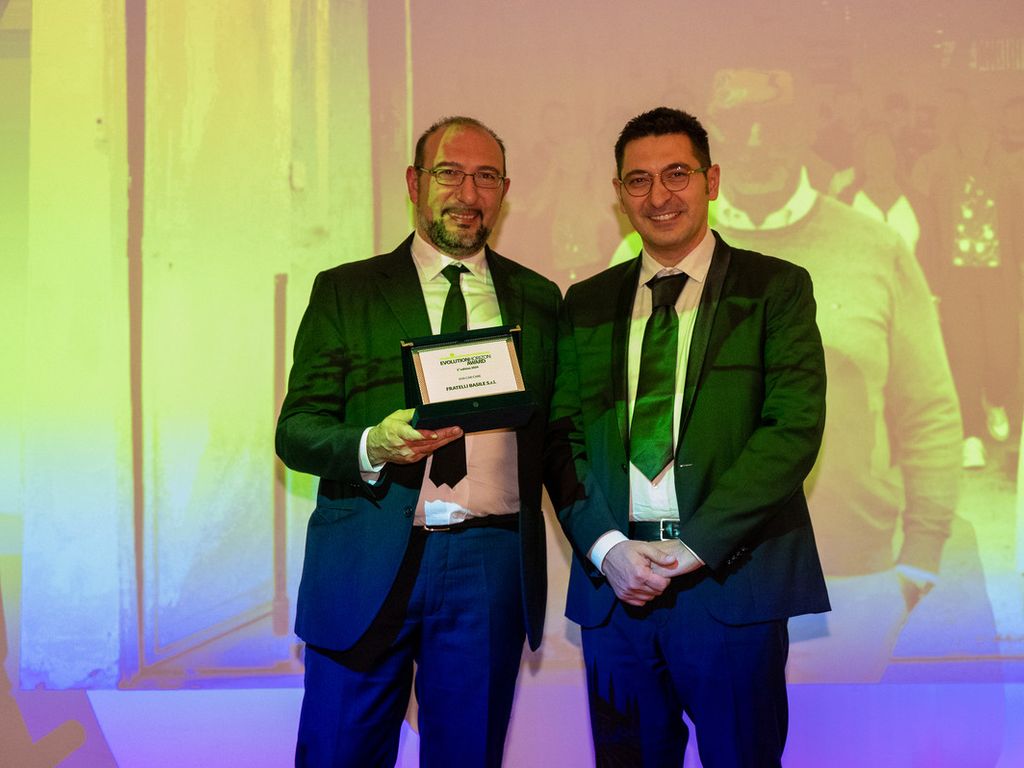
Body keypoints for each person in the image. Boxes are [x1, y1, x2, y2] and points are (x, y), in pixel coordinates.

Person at [276, 116, 563, 768]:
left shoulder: (539, 300)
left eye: (486, 177)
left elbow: (557, 434)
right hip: (366, 558)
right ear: (414, 183)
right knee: (337, 754)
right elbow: (297, 430)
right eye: (449, 173)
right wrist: (370, 445)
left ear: (505, 190)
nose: (469, 192)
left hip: (488, 563)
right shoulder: (346, 290)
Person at [552, 106, 830, 766]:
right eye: (639, 180)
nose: (659, 195)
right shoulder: (585, 303)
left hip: (731, 586)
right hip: (617, 590)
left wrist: (696, 546)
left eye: (676, 174)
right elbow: (561, 439)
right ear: (619, 194)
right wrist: (608, 548)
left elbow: (791, 430)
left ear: (712, 181)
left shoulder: (776, 288)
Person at [703, 68, 964, 684]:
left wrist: (918, 563)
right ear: (713, 142)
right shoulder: (653, 255)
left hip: (850, 583)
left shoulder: (875, 247)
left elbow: (929, 409)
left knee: (844, 734)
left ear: (806, 132)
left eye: (775, 122)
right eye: (739, 125)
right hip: (702, 587)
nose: (758, 140)